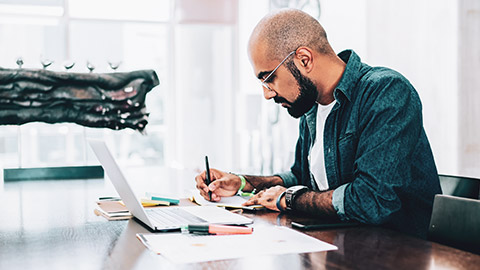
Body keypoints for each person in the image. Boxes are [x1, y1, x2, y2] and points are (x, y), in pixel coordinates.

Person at [195, 8, 442, 238]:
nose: (267, 93)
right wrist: (242, 183)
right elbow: (300, 177)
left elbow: (372, 200)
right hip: (340, 242)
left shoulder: (386, 92)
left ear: (304, 59)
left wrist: (288, 199)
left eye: (269, 78)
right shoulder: (311, 107)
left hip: (398, 251)